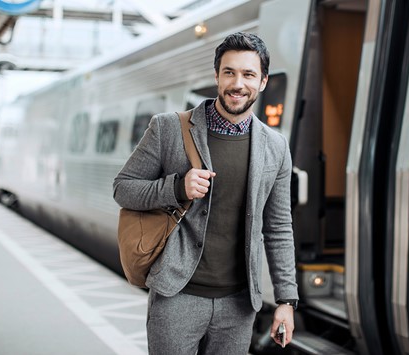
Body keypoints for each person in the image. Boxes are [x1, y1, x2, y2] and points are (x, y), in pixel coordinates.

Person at [113, 32, 298, 354]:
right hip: (177, 294)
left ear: (263, 81)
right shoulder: (169, 128)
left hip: (240, 303)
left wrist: (286, 299)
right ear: (216, 76)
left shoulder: (276, 146)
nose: (237, 83)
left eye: (248, 74)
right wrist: (175, 187)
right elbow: (123, 189)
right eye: (229, 72)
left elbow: (279, 226)